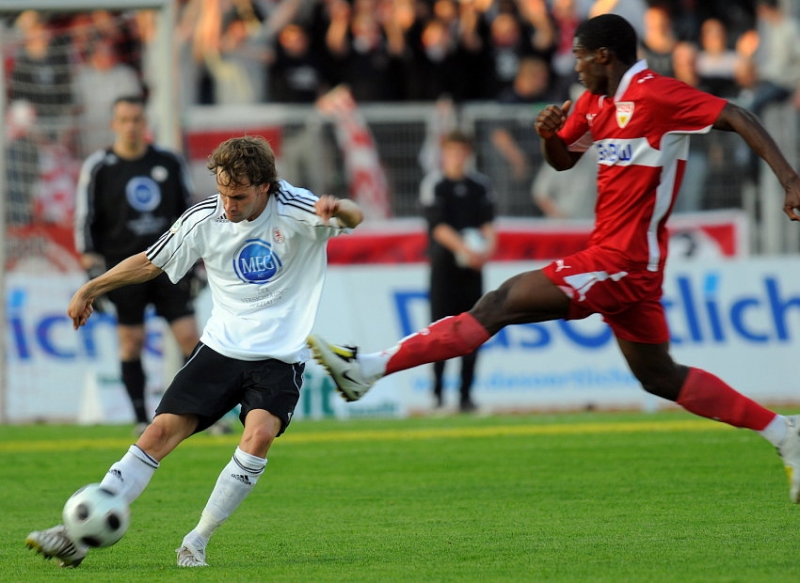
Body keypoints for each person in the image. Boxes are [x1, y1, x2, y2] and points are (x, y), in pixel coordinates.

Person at [307, 14, 800, 504]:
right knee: (659, 376)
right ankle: (785, 434)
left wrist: (791, 179)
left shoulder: (656, 94)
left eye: (581, 58)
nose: (576, 68)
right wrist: (549, 135)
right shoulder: (592, 102)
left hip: (623, 261)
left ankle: (367, 368)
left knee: (499, 302)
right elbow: (564, 157)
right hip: (619, 263)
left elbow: (736, 115)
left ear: (604, 56)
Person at [26, 135, 364, 568]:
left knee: (258, 436)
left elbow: (354, 218)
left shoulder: (297, 208)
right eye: (222, 192)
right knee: (157, 434)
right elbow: (150, 261)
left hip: (279, 356)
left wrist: (339, 210)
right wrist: (91, 287)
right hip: (221, 348)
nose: (228, 204)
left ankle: (197, 539)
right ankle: (76, 536)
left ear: (265, 187)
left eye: (238, 196)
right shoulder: (204, 218)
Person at [74, 95, 200, 435]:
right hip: (124, 268)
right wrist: (91, 268)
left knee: (190, 335)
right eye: (124, 120)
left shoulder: (168, 162)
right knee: (131, 340)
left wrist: (197, 264)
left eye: (137, 120)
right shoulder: (100, 167)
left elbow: (188, 214)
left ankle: (197, 414)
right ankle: (142, 418)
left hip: (169, 265)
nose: (131, 126)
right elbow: (86, 220)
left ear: (145, 124)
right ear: (114, 124)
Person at [419, 130, 496, 412]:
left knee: (473, 331)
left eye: (461, 151)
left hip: (472, 270)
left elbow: (489, 223)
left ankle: (466, 397)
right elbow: (438, 227)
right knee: (440, 332)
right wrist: (465, 249)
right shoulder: (435, 185)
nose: (456, 157)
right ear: (443, 154)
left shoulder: (480, 186)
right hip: (444, 269)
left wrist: (486, 250)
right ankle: (438, 396)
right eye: (451, 151)